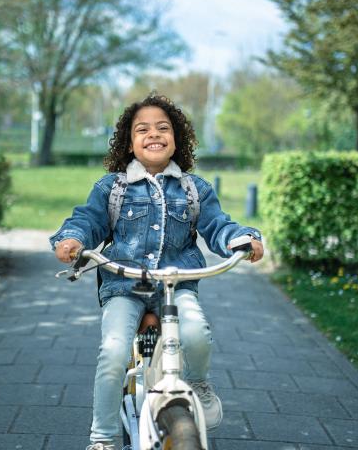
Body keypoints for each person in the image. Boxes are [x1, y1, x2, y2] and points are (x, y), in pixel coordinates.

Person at [50, 93, 264, 450]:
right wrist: (72, 239)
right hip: (124, 284)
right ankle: (102, 439)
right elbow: (87, 221)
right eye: (143, 129)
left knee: (195, 333)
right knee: (114, 352)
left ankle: (196, 382)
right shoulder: (112, 188)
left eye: (163, 128)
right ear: (129, 143)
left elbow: (218, 226)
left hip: (176, 283)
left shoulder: (195, 189)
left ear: (176, 138)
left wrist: (241, 238)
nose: (154, 134)